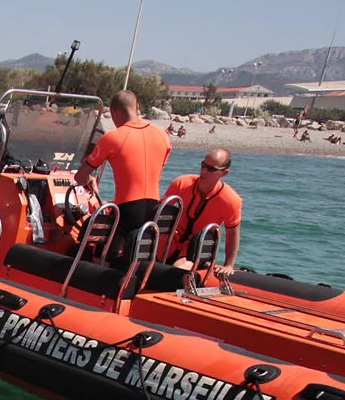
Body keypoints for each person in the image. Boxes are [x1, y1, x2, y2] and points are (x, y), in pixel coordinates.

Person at [73, 89, 171, 264]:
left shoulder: (113, 137)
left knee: (99, 253)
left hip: (127, 209)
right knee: (133, 252)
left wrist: (89, 180)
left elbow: (80, 177)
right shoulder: (162, 135)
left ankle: (98, 273)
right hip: (153, 209)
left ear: (113, 112)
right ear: (137, 107)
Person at [161, 147, 242, 272]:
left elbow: (233, 234)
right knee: (140, 256)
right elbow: (160, 212)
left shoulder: (231, 200)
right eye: (203, 165)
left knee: (178, 269)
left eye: (211, 169)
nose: (204, 171)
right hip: (172, 239)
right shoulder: (181, 183)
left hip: (196, 247)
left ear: (224, 173)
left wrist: (229, 265)